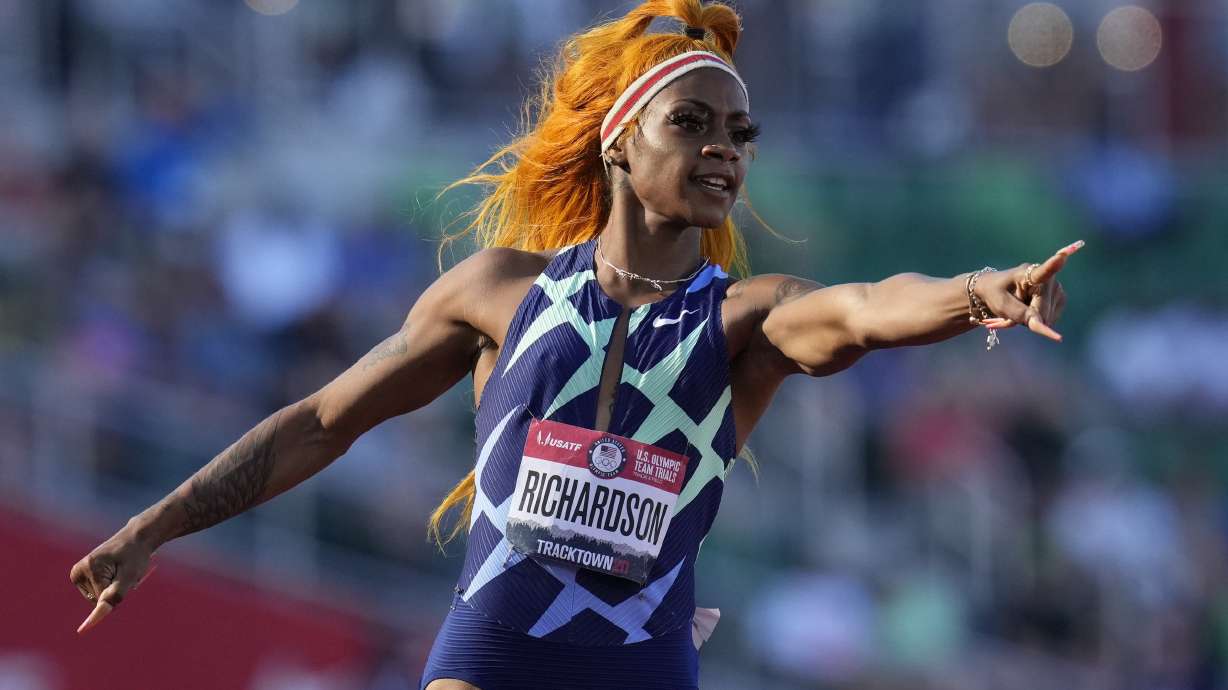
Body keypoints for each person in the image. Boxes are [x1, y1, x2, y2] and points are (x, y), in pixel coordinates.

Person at [69, 1, 1081, 688]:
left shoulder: (748, 319)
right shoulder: (497, 291)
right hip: (492, 650)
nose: (725, 148)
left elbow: (863, 309)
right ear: (618, 140)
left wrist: (974, 293)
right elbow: (323, 422)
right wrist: (156, 525)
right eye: (693, 122)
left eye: (741, 133)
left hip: (637, 663)